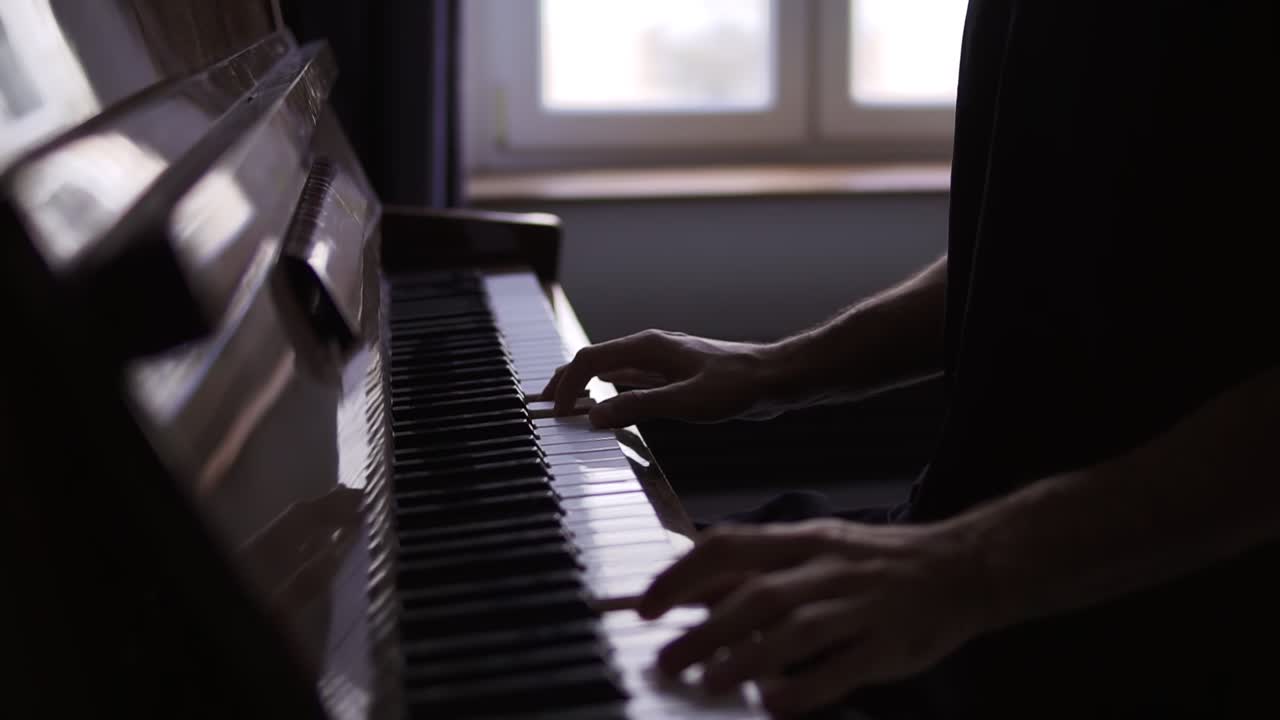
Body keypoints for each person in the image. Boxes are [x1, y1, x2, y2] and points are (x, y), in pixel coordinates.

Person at [541, 2, 1278, 718]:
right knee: (580, 618)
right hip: (953, 556)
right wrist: (776, 369)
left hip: (1143, 638)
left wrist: (968, 570)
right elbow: (1042, 229)